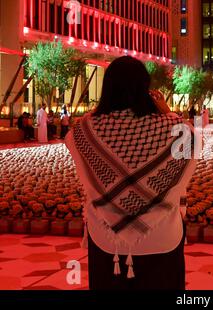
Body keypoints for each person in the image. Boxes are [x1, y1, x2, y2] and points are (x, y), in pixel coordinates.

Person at [64, 56, 196, 290]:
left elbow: (76, 132)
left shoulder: (87, 131)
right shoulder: (172, 128)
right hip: (162, 238)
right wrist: (170, 113)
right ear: (145, 87)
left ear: (107, 87)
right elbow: (189, 137)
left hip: (107, 241)